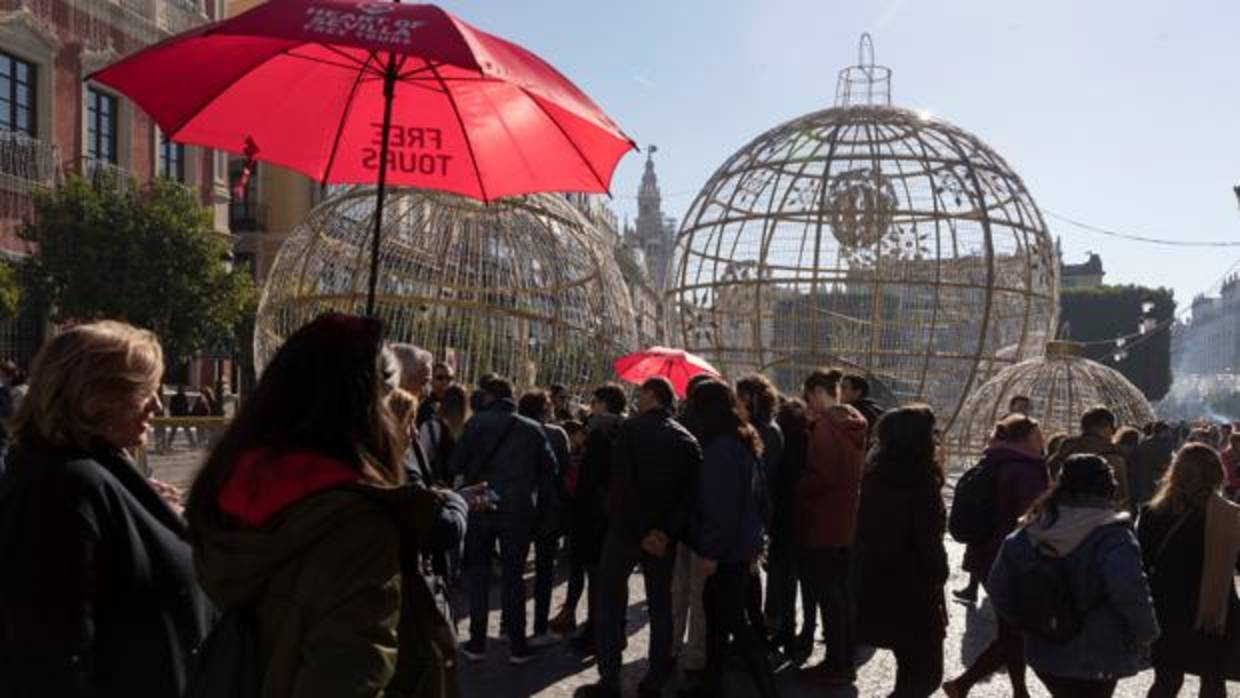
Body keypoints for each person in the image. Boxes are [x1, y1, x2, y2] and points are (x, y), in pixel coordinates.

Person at [0, 321, 212, 696]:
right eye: (144, 391)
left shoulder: (99, 467)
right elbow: (51, 656)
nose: (158, 403)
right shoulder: (63, 485)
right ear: (96, 397)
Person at [987, 454, 1159, 698]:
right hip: (1100, 651)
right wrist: (1147, 633)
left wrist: (1029, 621)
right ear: (1108, 487)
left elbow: (999, 586)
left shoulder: (1032, 527)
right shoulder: (1112, 534)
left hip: (1044, 649)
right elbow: (1130, 590)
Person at [587, 377, 702, 698]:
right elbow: (689, 498)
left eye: (640, 394)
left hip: (625, 532)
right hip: (663, 540)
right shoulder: (688, 441)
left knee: (610, 603)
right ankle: (655, 678)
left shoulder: (630, 431)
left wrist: (639, 532)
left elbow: (621, 487)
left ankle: (609, 676)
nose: (636, 399)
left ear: (652, 395)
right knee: (661, 607)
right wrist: (664, 533)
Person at [448, 374, 557, 665]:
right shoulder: (533, 429)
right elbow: (550, 471)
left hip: (481, 506)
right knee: (514, 577)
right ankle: (517, 644)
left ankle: (477, 641)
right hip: (518, 510)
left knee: (478, 575)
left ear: (488, 396)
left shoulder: (475, 423)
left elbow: (455, 463)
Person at [683, 380, 778, 698]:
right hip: (741, 546)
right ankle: (711, 686)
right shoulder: (744, 439)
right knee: (720, 623)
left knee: (735, 624)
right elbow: (761, 500)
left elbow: (720, 507)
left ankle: (768, 690)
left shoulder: (719, 447)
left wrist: (711, 552)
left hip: (725, 551)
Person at [944, 414, 1050, 698]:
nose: (1043, 441)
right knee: (1016, 629)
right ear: (1025, 439)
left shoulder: (994, 460)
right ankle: (963, 683)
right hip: (1010, 559)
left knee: (1010, 629)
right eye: (1039, 435)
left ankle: (1018, 691)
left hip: (984, 553)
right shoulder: (1025, 470)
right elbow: (1032, 520)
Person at [855, 406, 949, 698]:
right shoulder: (923, 485)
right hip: (916, 591)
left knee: (909, 670)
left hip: (876, 583)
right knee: (924, 676)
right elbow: (929, 544)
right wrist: (939, 574)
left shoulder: (871, 477)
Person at [1138, 444, 1240, 698]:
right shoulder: (1229, 516)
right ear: (1217, 474)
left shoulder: (1152, 514)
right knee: (1213, 681)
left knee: (1167, 681)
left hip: (1167, 608)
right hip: (1214, 612)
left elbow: (1141, 562)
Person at [795, 368, 868, 686]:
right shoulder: (853, 421)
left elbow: (821, 476)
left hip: (823, 521)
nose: (807, 403)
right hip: (845, 520)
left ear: (816, 392)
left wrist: (798, 490)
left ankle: (836, 664)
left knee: (828, 594)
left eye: (808, 396)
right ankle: (843, 659)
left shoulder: (826, 427)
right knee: (840, 594)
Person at [568, 383, 628, 655]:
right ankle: (615, 631)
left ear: (604, 404)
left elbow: (588, 480)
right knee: (615, 581)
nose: (591, 407)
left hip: (594, 516)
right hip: (618, 516)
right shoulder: (627, 429)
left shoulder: (599, 432)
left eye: (595, 402)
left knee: (596, 577)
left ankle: (595, 632)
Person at [517, 389, 571, 648]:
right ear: (544, 410)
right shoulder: (556, 434)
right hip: (549, 510)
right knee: (544, 571)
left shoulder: (514, 432)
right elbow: (565, 471)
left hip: (519, 507)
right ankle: (539, 628)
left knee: (514, 568)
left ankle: (510, 625)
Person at [736, 374, 782, 642]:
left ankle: (754, 632)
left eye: (739, 396)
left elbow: (760, 476)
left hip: (753, 514)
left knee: (749, 574)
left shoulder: (763, 430)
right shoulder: (767, 426)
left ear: (751, 398)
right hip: (755, 512)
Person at [770, 397, 815, 656]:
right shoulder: (811, 441)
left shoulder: (780, 442)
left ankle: (786, 630)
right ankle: (804, 633)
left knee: (785, 581)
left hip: (783, 522)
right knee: (806, 584)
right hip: (806, 522)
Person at [1047, 406, 1131, 510]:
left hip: (1064, 517)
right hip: (1103, 519)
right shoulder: (1115, 460)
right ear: (1105, 428)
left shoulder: (1060, 457)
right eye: (1113, 430)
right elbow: (1122, 500)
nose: (1113, 435)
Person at [549, 418, 589, 637]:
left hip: (581, 517)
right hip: (585, 518)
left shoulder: (584, 455)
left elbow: (573, 486)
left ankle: (569, 612)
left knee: (578, 567)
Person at [421, 383, 468, 486]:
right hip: (457, 488)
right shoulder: (468, 430)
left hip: (433, 484)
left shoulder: (431, 426)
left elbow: (422, 457)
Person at [1132, 422, 1177, 508]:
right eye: (1168, 431)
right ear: (1164, 431)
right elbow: (1167, 464)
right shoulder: (1166, 445)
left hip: (1142, 482)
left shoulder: (1142, 444)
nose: (1170, 433)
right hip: (1158, 481)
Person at [417, 361, 456, 427]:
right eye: (440, 378)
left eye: (449, 378)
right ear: (431, 381)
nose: (445, 382)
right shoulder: (422, 406)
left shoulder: (456, 406)